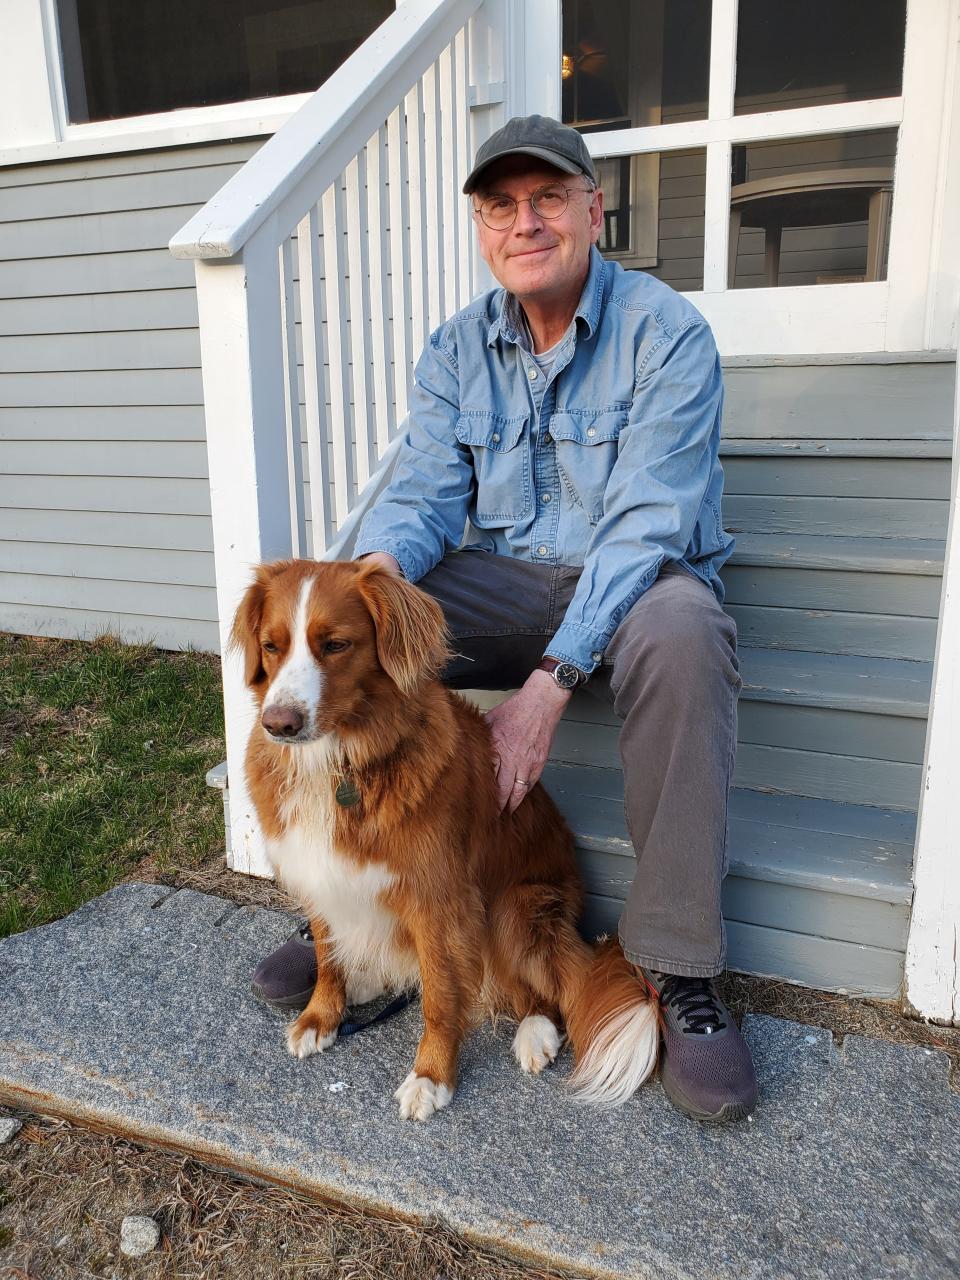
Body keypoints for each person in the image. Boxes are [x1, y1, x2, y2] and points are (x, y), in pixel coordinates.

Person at [253, 115, 757, 1124]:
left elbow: (649, 523)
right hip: (509, 581)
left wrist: (549, 685)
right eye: (501, 206)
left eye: (546, 200)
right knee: (346, 634)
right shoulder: (454, 349)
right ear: (482, 227)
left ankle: (677, 965)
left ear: (591, 209)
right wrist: (376, 577)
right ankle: (363, 897)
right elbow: (427, 497)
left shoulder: (667, 333)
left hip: (641, 588)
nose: (524, 222)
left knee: (688, 632)